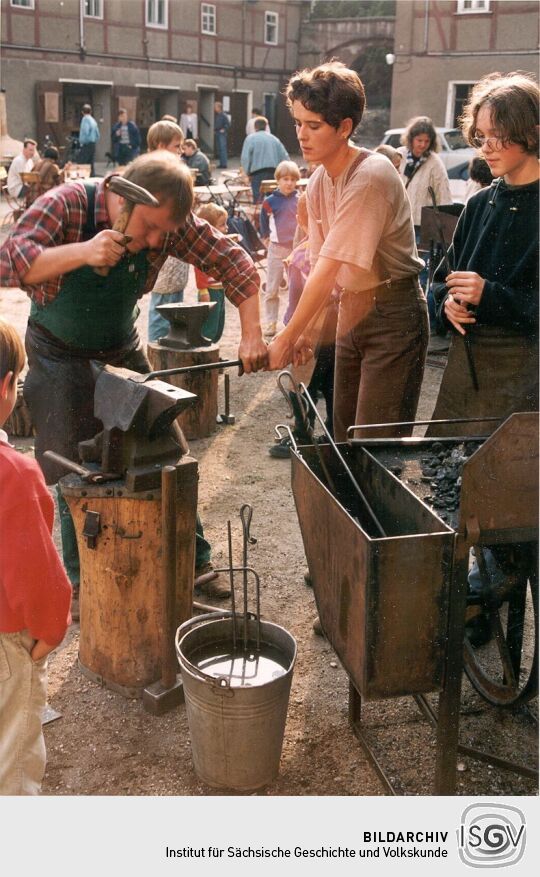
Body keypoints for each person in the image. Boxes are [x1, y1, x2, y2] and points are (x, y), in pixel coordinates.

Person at [0, 151, 268, 604]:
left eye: (165, 231)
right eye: (150, 227)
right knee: (76, 468)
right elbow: (7, 260)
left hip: (120, 349)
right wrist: (82, 252)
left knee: (166, 449)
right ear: (122, 195)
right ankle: (83, 585)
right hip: (57, 354)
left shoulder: (163, 220)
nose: (156, 240)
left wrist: (253, 334)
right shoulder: (68, 204)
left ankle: (194, 561)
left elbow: (234, 262)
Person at [428, 71, 539, 647]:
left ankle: (487, 599)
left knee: (510, 508)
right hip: (466, 382)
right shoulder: (479, 206)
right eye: (482, 135)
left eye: (499, 136)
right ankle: (478, 602)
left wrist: (491, 296)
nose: (487, 146)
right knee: (456, 497)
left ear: (532, 134)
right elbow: (437, 280)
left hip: (525, 385)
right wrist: (445, 305)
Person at [267, 61, 428, 445]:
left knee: (374, 446)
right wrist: (306, 329)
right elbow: (326, 269)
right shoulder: (321, 177)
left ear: (345, 127)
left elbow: (328, 267)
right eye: (298, 123)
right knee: (343, 439)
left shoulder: (370, 176)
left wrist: (286, 338)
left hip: (394, 314)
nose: (302, 136)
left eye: (314, 126)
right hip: (351, 311)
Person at [0, 318, 72, 795]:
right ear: (5, 386)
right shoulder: (16, 475)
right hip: (6, 646)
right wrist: (49, 632)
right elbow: (40, 576)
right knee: (13, 760)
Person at [269, 192, 336, 459]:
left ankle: (330, 433)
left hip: (331, 331)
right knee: (303, 383)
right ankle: (302, 432)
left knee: (330, 383)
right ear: (301, 221)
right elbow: (296, 298)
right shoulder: (300, 257)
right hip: (308, 332)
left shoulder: (330, 253)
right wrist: (293, 330)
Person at [145, 121, 189, 344]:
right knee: (162, 312)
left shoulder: (171, 175)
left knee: (173, 311)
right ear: (161, 146)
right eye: (176, 146)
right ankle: (156, 353)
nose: (181, 151)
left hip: (175, 256)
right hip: (163, 255)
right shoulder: (155, 176)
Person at [259, 160, 300, 337]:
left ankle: (294, 322)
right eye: (285, 179)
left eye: (292, 179)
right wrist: (266, 238)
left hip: (296, 248)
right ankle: (270, 321)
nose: (289, 183)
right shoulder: (269, 202)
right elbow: (262, 221)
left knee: (296, 287)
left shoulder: (300, 200)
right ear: (278, 180)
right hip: (276, 249)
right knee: (272, 288)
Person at [194, 203, 230, 344]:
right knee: (209, 325)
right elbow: (200, 270)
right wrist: (203, 290)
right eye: (222, 225)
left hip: (219, 289)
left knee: (219, 323)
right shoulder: (203, 247)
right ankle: (206, 352)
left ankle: (213, 349)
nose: (226, 228)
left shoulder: (219, 243)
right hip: (209, 291)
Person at [241, 118, 290, 202]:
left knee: (258, 200)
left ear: (255, 127)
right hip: (273, 172)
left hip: (257, 173)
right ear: (266, 126)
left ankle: (260, 213)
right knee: (273, 199)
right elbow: (285, 157)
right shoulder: (274, 139)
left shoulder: (250, 138)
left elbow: (245, 158)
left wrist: (246, 172)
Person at [77, 104, 100, 176]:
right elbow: (97, 134)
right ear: (91, 111)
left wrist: (83, 140)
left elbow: (86, 131)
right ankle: (92, 177)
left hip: (86, 144)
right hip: (93, 144)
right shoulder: (93, 120)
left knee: (82, 162)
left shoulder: (85, 119)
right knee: (91, 163)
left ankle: (83, 178)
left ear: (82, 112)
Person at [214, 101, 231, 169]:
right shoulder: (217, 115)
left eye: (215, 107)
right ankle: (221, 163)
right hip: (217, 132)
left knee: (222, 148)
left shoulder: (224, 115)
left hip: (222, 134)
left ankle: (224, 164)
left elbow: (228, 124)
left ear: (219, 107)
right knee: (219, 149)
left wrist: (224, 129)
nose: (214, 108)